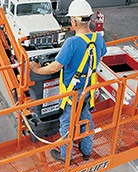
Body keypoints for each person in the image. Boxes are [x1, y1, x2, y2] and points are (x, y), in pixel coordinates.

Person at [29, 0, 107, 163]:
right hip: (88, 90)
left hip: (73, 93)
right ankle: (86, 151)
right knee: (86, 119)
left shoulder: (71, 43)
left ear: (75, 21)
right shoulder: (98, 39)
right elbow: (99, 56)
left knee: (66, 124)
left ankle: (66, 157)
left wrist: (36, 69)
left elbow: (54, 68)